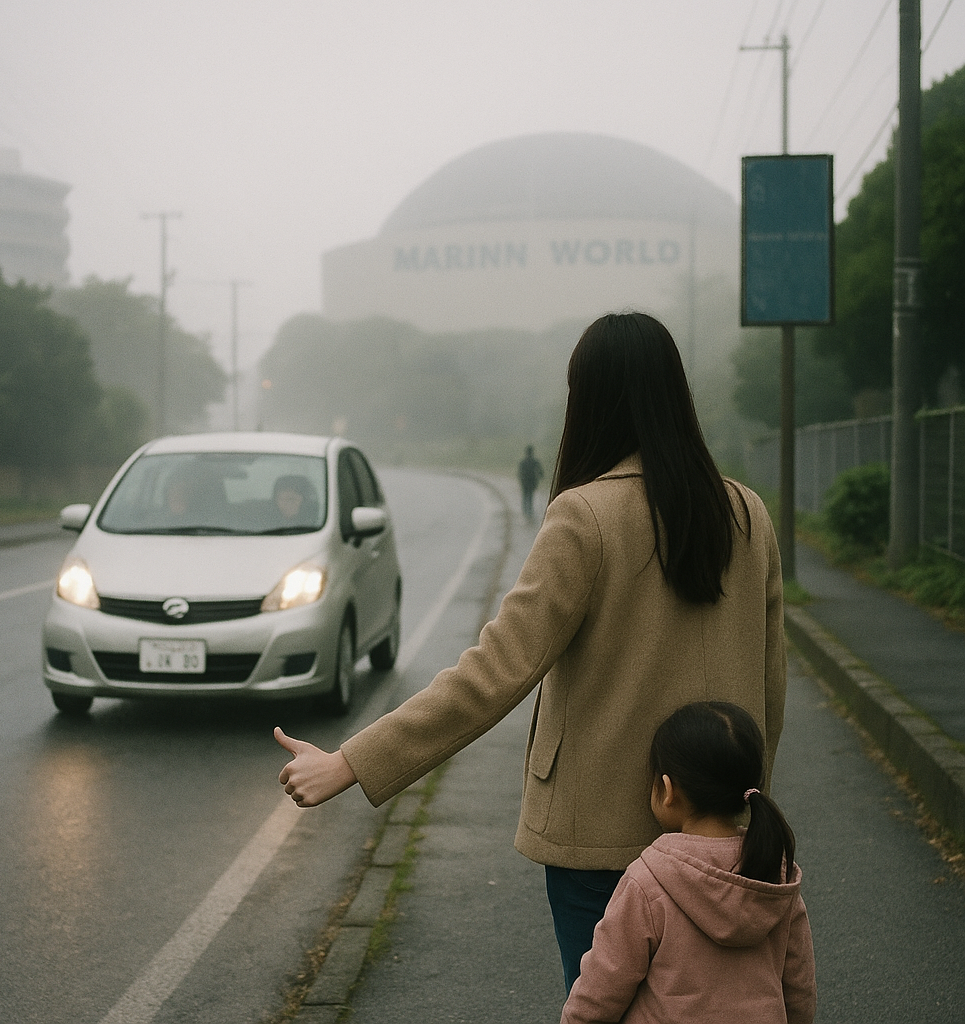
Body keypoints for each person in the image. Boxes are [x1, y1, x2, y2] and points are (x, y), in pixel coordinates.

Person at [274, 311, 786, 990]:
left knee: (608, 1005)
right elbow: (769, 686)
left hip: (598, 832)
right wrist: (742, 808)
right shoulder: (747, 513)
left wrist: (350, 762)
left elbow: (496, 670)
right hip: (725, 833)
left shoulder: (585, 516)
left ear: (589, 400)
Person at [561, 701, 816, 1024]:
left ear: (667, 789)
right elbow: (799, 987)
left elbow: (603, 988)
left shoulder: (649, 880)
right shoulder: (774, 875)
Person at [517, 444, 544, 521]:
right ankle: (529, 511)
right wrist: (541, 476)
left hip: (525, 482)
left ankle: (525, 511)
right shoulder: (535, 461)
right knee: (530, 496)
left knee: (525, 496)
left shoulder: (523, 462)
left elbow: (519, 473)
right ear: (532, 452)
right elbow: (540, 471)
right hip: (532, 482)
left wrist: (521, 480)